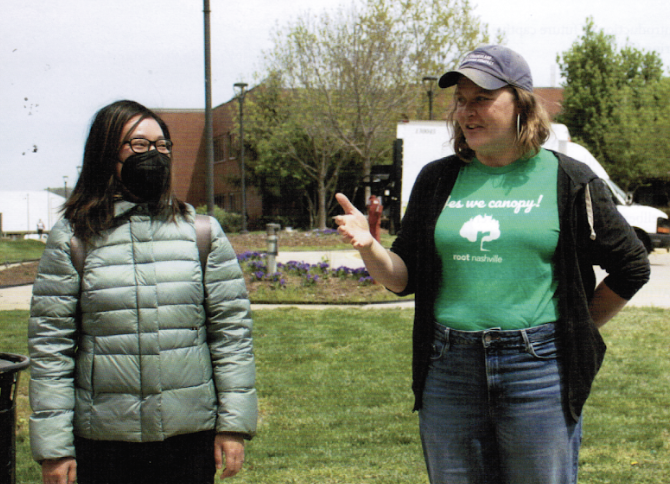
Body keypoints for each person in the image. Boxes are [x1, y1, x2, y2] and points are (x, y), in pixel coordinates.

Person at [335, 45, 650, 484]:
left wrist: (576, 327)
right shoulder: (438, 178)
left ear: (522, 103)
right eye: (461, 101)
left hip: (539, 370)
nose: (468, 112)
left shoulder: (570, 179)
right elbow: (402, 278)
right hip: (449, 370)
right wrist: (370, 246)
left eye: (482, 98)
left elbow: (632, 267)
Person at [28, 100, 257, 484]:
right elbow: (51, 348)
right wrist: (54, 448)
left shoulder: (201, 233)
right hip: (103, 444)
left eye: (162, 145)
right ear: (106, 154)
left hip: (188, 441)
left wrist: (233, 424)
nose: (153, 154)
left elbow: (232, 336)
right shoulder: (73, 237)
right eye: (138, 145)